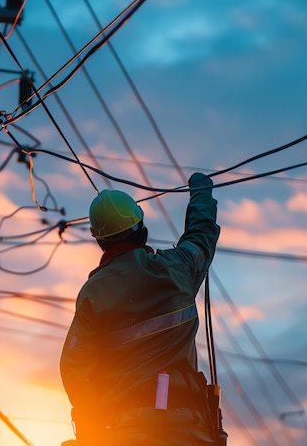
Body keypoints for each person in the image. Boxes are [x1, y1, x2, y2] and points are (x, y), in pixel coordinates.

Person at [60, 172, 220, 446]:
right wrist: (201, 195)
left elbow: (73, 369)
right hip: (189, 431)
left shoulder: (93, 293)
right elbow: (201, 235)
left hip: (124, 432)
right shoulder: (177, 268)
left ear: (100, 241)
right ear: (141, 228)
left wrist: (93, 422)